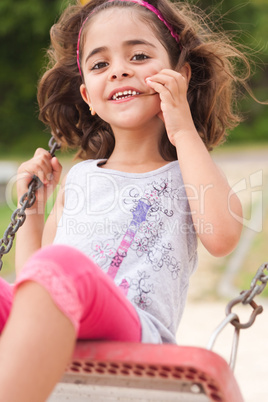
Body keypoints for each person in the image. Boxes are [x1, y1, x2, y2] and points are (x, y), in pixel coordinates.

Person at [0, 0, 249, 400]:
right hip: (66, 324)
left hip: (138, 337)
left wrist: (183, 129)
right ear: (88, 95)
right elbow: (39, 284)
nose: (119, 69)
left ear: (180, 75)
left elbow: (223, 237)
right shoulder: (79, 180)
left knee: (64, 266)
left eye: (138, 55)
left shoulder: (189, 172)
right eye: (100, 65)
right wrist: (30, 212)